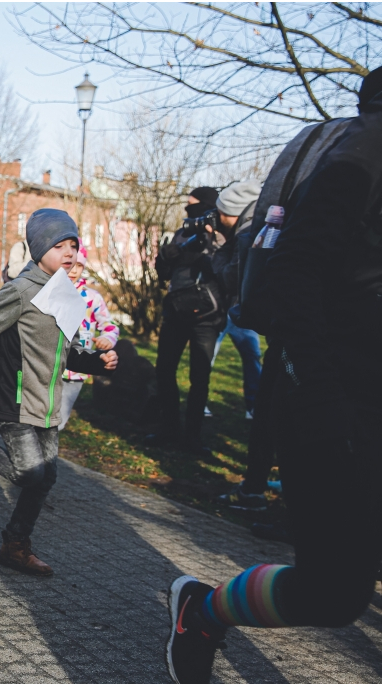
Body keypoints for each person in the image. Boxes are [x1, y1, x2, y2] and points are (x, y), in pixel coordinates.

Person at [164, 66, 382, 685]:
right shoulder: (366, 154)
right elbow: (294, 275)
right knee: (335, 594)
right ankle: (203, 612)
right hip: (342, 401)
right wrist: (321, 391)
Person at [0, 209, 117, 576]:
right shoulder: (21, 290)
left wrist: (99, 363)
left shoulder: (65, 294)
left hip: (47, 403)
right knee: (30, 474)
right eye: (58, 245)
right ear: (38, 250)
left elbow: (65, 353)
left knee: (46, 478)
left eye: (73, 245)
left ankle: (15, 546)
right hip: (14, 400)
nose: (69, 252)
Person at [145, 185, 238, 457]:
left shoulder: (225, 238)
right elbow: (164, 272)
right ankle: (169, 427)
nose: (190, 211)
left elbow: (229, 274)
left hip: (207, 316)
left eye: (194, 205)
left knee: (200, 377)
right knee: (165, 370)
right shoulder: (183, 232)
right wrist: (167, 255)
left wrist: (214, 242)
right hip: (176, 310)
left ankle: (193, 437)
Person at [207, 181, 264, 420]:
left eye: (220, 214)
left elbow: (230, 277)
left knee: (247, 357)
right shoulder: (255, 226)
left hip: (238, 310)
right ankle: (254, 407)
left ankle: (255, 406)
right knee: (246, 357)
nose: (217, 219)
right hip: (232, 309)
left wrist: (221, 246)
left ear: (231, 213)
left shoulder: (243, 234)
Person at [60, 246, 119, 431]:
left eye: (79, 265)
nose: (74, 270)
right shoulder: (50, 293)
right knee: (40, 415)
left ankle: (42, 454)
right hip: (50, 365)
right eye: (69, 264)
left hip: (77, 370)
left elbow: (109, 325)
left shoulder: (92, 298)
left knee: (59, 420)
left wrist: (107, 339)